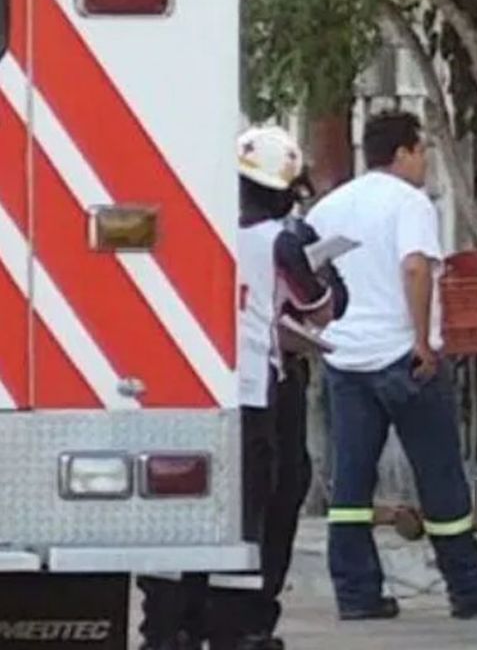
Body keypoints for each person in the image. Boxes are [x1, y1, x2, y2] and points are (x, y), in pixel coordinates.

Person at [305, 110, 477, 621]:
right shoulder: (409, 203)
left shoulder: (331, 206)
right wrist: (422, 340)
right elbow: (414, 266)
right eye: (422, 150)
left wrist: (327, 333)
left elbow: (305, 274)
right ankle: (468, 586)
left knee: (352, 484)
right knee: (440, 475)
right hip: (404, 360)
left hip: (345, 358)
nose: (425, 160)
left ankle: (357, 595)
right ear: (403, 152)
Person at [137, 126, 349, 650]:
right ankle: (235, 628)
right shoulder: (283, 240)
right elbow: (318, 305)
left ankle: (167, 626)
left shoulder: (192, 225)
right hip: (253, 392)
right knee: (251, 513)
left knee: (179, 512)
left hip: (180, 386)